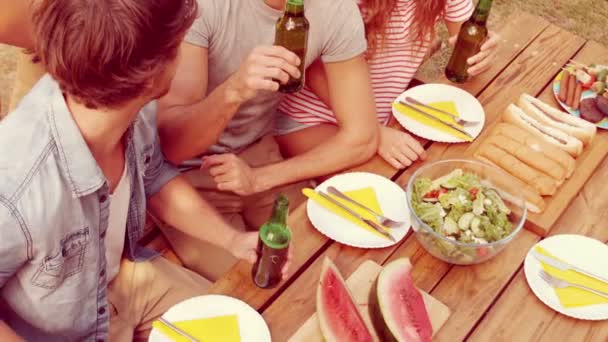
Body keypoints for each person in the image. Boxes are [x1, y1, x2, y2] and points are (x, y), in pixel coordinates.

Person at [0, 0, 272, 340]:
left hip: (121, 282)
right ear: (151, 76)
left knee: (249, 328)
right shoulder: (15, 186)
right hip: (64, 332)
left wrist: (232, 240)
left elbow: (155, 176)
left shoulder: (128, 103)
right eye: (177, 47)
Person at [157, 0, 380, 280]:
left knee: (319, 268)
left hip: (260, 155)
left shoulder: (335, 9)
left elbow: (362, 137)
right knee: (249, 284)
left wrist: (260, 178)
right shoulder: (205, 7)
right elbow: (173, 147)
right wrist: (234, 90)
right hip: (185, 176)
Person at [276, 0, 500, 169]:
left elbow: (467, 35)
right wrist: (373, 130)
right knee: (388, 187)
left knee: (448, 167)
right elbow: (313, 66)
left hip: (381, 117)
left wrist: (482, 52)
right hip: (311, 119)